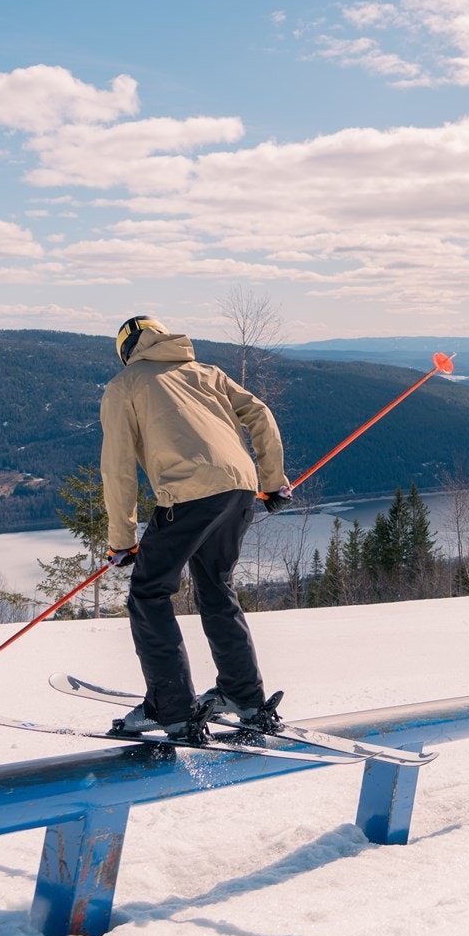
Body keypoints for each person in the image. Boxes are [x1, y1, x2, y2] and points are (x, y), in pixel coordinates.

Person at [101, 315, 294, 743]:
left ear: (126, 351)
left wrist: (122, 541)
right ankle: (244, 696)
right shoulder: (207, 372)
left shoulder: (125, 386)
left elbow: (117, 469)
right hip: (240, 488)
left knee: (149, 592)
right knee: (215, 584)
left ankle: (171, 709)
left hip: (188, 495)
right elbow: (259, 414)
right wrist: (271, 481)